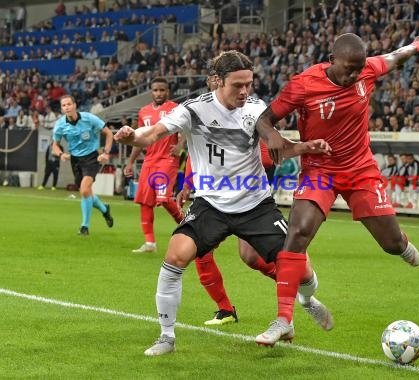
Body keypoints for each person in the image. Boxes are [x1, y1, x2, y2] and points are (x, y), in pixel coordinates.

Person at [114, 51, 333, 354]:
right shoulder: (193, 110)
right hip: (211, 205)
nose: (244, 91)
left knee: (301, 267)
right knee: (175, 257)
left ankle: (307, 300)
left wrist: (306, 147)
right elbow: (150, 135)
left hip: (255, 204)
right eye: (237, 85)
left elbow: (278, 148)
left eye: (249, 84)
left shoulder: (257, 110)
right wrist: (130, 137)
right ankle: (166, 337)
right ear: (218, 81)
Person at [254, 32, 419, 342]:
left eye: (358, 68)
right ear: (332, 60)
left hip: (360, 170)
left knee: (390, 245)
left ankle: (401, 243)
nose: (354, 75)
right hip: (320, 169)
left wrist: (418, 44)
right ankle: (284, 319)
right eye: (349, 68)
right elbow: (264, 119)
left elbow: (394, 56)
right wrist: (272, 137)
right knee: (297, 233)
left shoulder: (367, 70)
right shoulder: (305, 84)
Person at [123, 78, 185, 253]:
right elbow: (140, 138)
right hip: (149, 160)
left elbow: (187, 127)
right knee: (144, 201)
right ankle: (150, 243)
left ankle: (189, 227)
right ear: (151, 92)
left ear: (168, 91)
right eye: (155, 90)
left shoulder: (175, 108)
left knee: (164, 199)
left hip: (167, 159)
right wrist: (130, 161)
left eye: (162, 90)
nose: (158, 93)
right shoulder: (144, 112)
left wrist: (180, 145)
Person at [52, 95, 114, 235]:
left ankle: (84, 227)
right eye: (64, 105)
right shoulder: (60, 125)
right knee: (87, 192)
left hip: (92, 157)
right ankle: (105, 210)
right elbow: (54, 145)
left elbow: (108, 133)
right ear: (62, 108)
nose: (67, 107)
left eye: (69, 104)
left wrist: (106, 152)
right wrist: (61, 154)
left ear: (75, 105)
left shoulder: (89, 118)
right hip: (75, 160)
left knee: (85, 189)